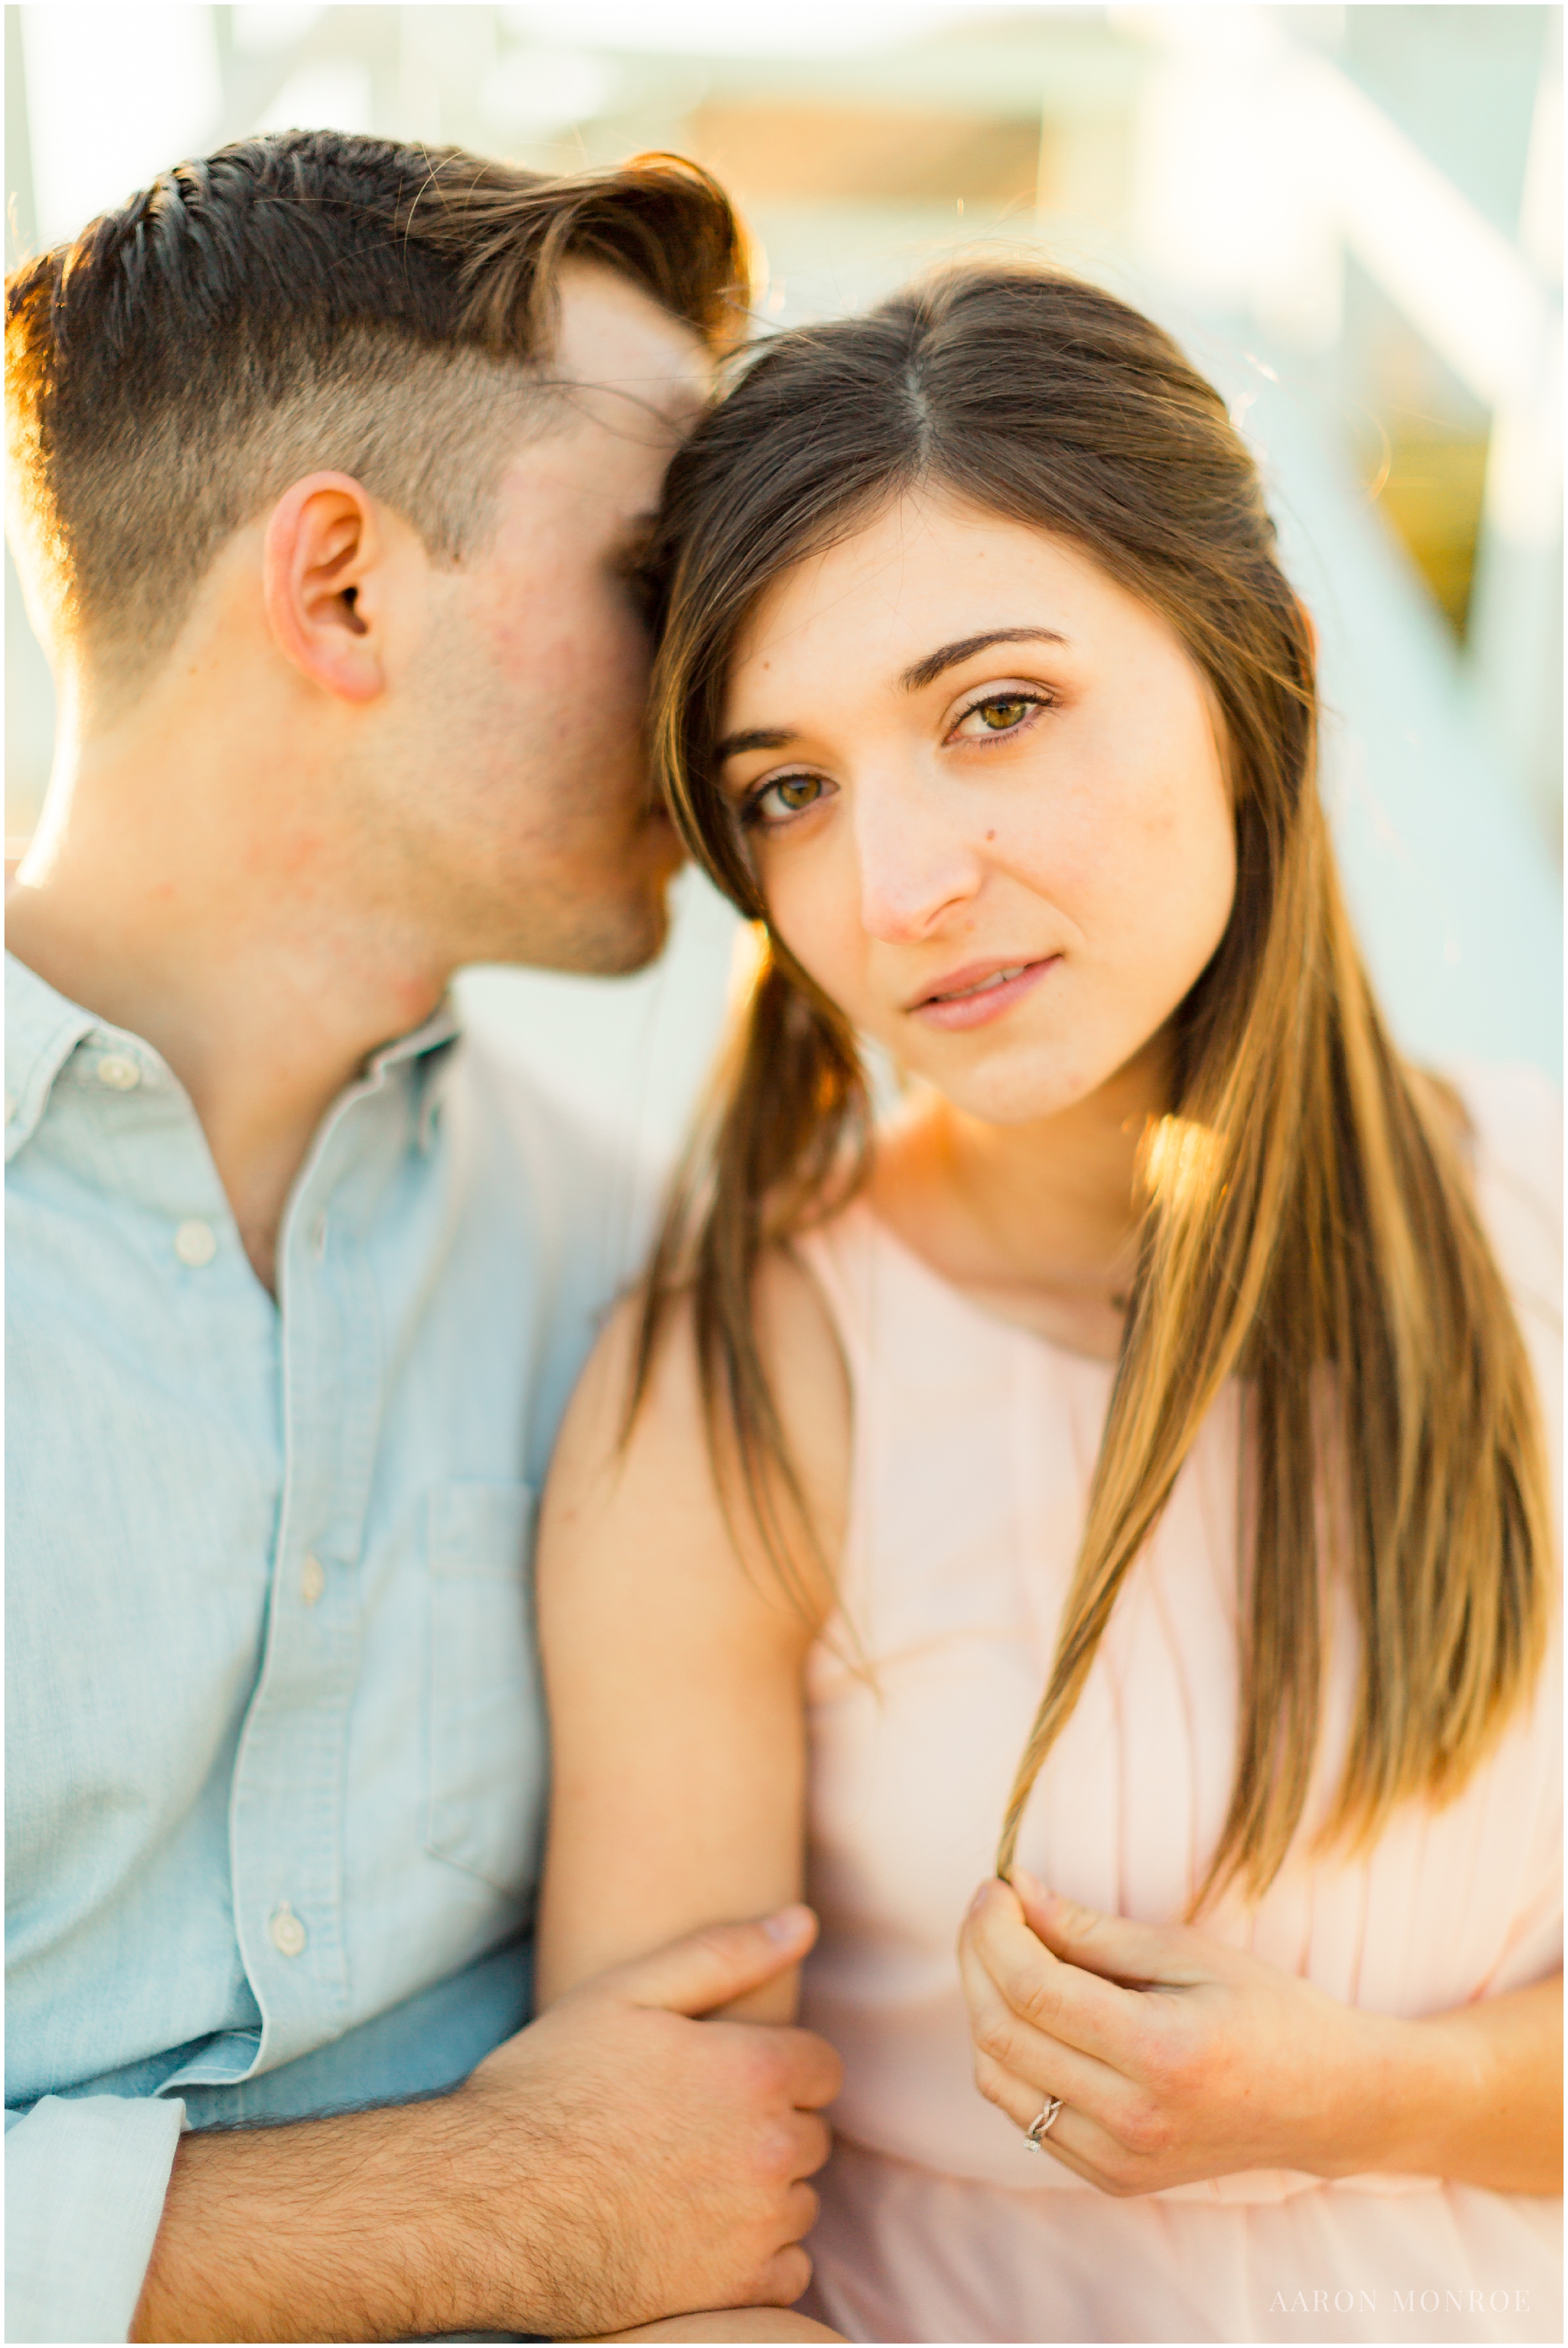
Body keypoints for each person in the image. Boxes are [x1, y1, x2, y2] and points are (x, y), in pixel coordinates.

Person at [534, 264, 1563, 2345]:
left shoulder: (1542, 1210)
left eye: (993, 709)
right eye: (788, 790)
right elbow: (650, 2261)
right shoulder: (742, 1383)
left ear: (1251, 668)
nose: (897, 884)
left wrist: (1379, 2099)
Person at [5, 131, 843, 2347]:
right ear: (344, 590)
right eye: (665, 574)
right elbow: (590, 2192)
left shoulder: (634, 1262)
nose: (730, 688)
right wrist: (492, 2199)